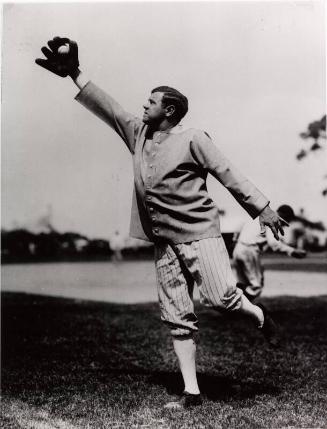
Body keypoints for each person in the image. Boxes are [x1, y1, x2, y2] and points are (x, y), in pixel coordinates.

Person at [36, 37, 287, 409]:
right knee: (176, 315)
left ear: (169, 110)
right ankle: (192, 392)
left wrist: (262, 208)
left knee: (222, 298)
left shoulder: (193, 138)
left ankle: (260, 315)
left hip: (201, 233)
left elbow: (227, 173)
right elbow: (110, 108)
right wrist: (74, 72)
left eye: (151, 102)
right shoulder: (139, 133)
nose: (144, 105)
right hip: (164, 241)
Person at [233, 205, 306, 301]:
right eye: (288, 219)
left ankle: (237, 311)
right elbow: (273, 243)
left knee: (242, 284)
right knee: (256, 287)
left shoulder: (260, 214)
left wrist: (235, 237)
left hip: (238, 248)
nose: (286, 223)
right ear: (283, 215)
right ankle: (242, 309)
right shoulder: (272, 219)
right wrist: (292, 251)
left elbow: (240, 226)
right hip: (249, 251)